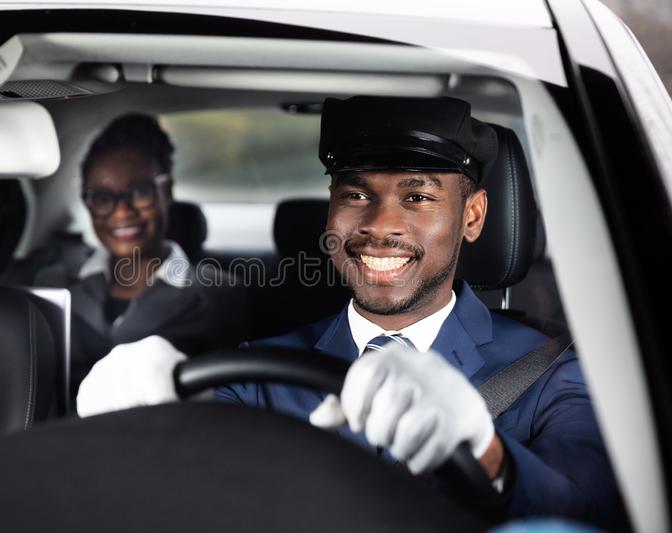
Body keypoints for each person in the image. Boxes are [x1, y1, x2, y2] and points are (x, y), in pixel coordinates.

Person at [76, 98, 625, 527]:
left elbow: (588, 505)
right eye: (356, 194)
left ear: (473, 216)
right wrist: (145, 420)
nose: (380, 226)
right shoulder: (259, 369)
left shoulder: (551, 371)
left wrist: (486, 453)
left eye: (418, 197)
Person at [69, 114, 249, 393]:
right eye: (102, 197)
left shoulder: (224, 296)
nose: (122, 212)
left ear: (167, 191)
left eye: (140, 192)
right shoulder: (54, 281)